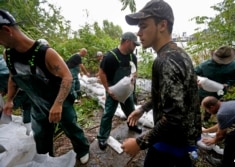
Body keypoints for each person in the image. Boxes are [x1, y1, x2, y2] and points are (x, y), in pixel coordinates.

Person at [0, 9, 90, 164]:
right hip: (37, 103)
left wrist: (58, 104)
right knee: (41, 134)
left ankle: (82, 149)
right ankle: (47, 159)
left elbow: (67, 77)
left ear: (7, 30)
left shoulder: (46, 53)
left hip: (59, 102)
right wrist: (9, 100)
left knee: (71, 127)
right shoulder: (8, 55)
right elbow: (13, 78)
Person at [121, 1, 201, 167]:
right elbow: (173, 97)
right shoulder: (178, 53)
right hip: (182, 138)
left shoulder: (166, 61)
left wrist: (139, 143)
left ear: (162, 25)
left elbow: (173, 118)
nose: (138, 32)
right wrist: (143, 109)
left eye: (143, 26)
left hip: (171, 142)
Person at [97, 31, 141, 150]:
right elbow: (101, 73)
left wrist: (134, 85)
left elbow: (134, 72)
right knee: (108, 113)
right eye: (134, 44)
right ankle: (102, 137)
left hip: (127, 90)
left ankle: (132, 125)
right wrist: (108, 90)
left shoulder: (133, 57)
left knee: (130, 110)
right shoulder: (110, 56)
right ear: (127, 42)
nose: (135, 47)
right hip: (113, 90)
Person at [195, 46, 235, 122]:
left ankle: (207, 119)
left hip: (220, 92)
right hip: (203, 92)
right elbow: (194, 74)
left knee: (213, 107)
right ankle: (196, 120)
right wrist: (197, 81)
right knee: (197, 105)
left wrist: (228, 84)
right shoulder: (205, 65)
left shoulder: (234, 65)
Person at [201, 96, 235, 167]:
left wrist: (213, 140)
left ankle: (225, 163)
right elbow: (222, 124)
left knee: (232, 138)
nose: (208, 112)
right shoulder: (226, 106)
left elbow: (221, 135)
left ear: (212, 107)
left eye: (207, 110)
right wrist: (206, 131)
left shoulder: (222, 113)